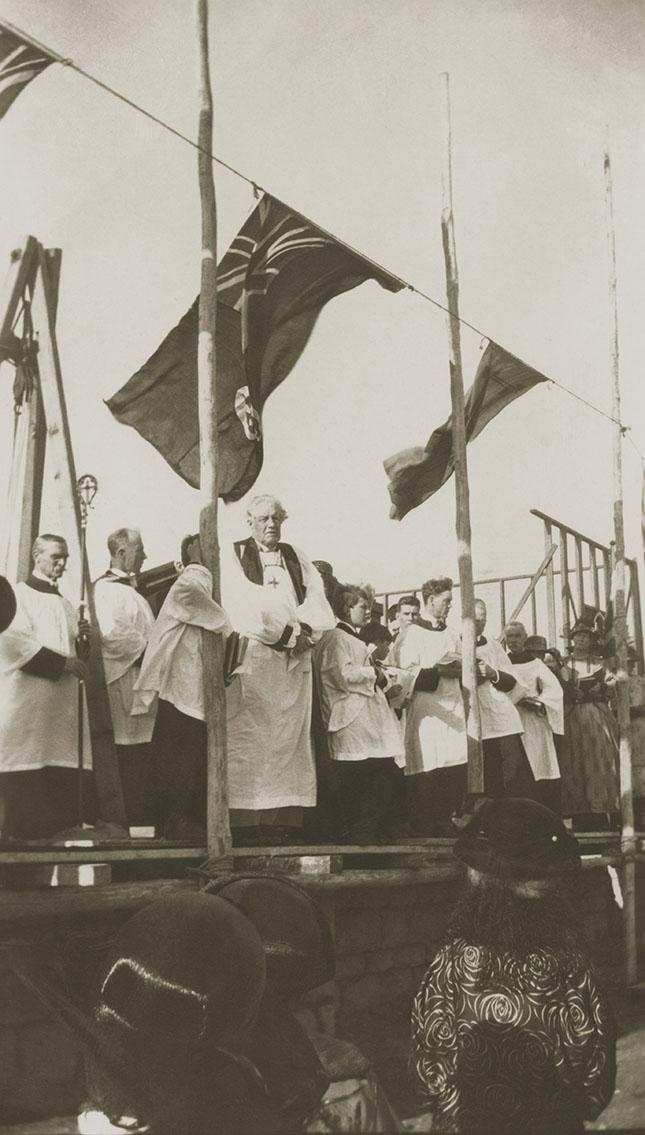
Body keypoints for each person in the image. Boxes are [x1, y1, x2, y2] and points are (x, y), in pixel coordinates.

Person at [411, 797, 616, 1134]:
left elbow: (426, 1073)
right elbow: (594, 1075)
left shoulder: (450, 963)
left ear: (478, 884)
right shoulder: (569, 967)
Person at [223, 494, 335, 845]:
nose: (271, 525)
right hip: (257, 660)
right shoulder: (235, 554)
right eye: (263, 519)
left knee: (289, 743)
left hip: (293, 664)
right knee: (251, 741)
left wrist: (305, 632)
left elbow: (316, 596)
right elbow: (240, 603)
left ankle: (283, 822)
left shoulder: (294, 556)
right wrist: (286, 635)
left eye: (276, 519)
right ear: (250, 522)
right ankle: (245, 823)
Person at [132, 534, 230, 841]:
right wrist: (225, 622)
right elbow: (196, 602)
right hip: (182, 684)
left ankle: (173, 826)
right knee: (179, 759)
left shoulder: (203, 580)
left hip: (189, 684)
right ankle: (171, 827)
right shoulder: (192, 577)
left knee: (178, 758)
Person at [0, 536, 92, 839]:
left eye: (65, 557)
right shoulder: (16, 595)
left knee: (57, 816)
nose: (62, 563)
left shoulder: (66, 604)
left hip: (61, 716)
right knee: (24, 812)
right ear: (36, 556)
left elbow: (74, 654)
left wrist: (81, 641)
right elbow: (12, 640)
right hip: (28, 710)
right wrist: (62, 663)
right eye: (55, 557)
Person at [313, 585, 405, 843]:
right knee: (360, 778)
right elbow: (340, 674)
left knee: (378, 774)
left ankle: (369, 834)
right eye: (363, 607)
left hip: (364, 722)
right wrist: (373, 673)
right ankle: (359, 837)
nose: (369, 612)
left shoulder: (351, 639)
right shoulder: (336, 638)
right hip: (349, 720)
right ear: (345, 608)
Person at [389, 577, 467, 836]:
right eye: (446, 601)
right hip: (426, 706)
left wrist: (458, 668)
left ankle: (446, 818)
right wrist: (436, 670)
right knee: (426, 761)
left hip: (452, 703)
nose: (450, 606)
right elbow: (403, 671)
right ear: (430, 601)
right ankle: (424, 822)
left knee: (452, 760)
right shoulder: (411, 633)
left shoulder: (452, 633)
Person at [93, 528, 156, 827]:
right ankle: (120, 823)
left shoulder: (131, 591)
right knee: (123, 753)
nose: (144, 555)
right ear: (121, 553)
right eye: (139, 549)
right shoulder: (104, 591)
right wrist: (151, 653)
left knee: (142, 755)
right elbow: (111, 634)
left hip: (140, 682)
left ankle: (139, 823)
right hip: (121, 683)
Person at [558, 616, 620, 829]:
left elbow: (613, 686)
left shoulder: (601, 664)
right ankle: (579, 816)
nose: (582, 639)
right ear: (572, 639)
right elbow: (556, 688)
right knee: (575, 763)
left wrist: (601, 689)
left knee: (600, 761)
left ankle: (602, 813)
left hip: (597, 717)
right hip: (573, 718)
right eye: (578, 636)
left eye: (586, 636)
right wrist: (569, 691)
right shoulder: (563, 664)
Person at [473, 599, 535, 798]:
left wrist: (493, 674)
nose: (479, 623)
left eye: (483, 619)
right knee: (487, 775)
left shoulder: (493, 646)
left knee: (513, 770)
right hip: (475, 717)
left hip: (501, 717)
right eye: (475, 619)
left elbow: (511, 681)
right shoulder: (455, 642)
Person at [505, 621, 563, 812]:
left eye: (517, 636)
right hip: (509, 721)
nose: (513, 640)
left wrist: (538, 703)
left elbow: (555, 691)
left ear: (524, 638)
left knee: (537, 767)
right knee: (515, 770)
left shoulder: (536, 664)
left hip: (534, 722)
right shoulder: (501, 663)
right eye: (510, 636)